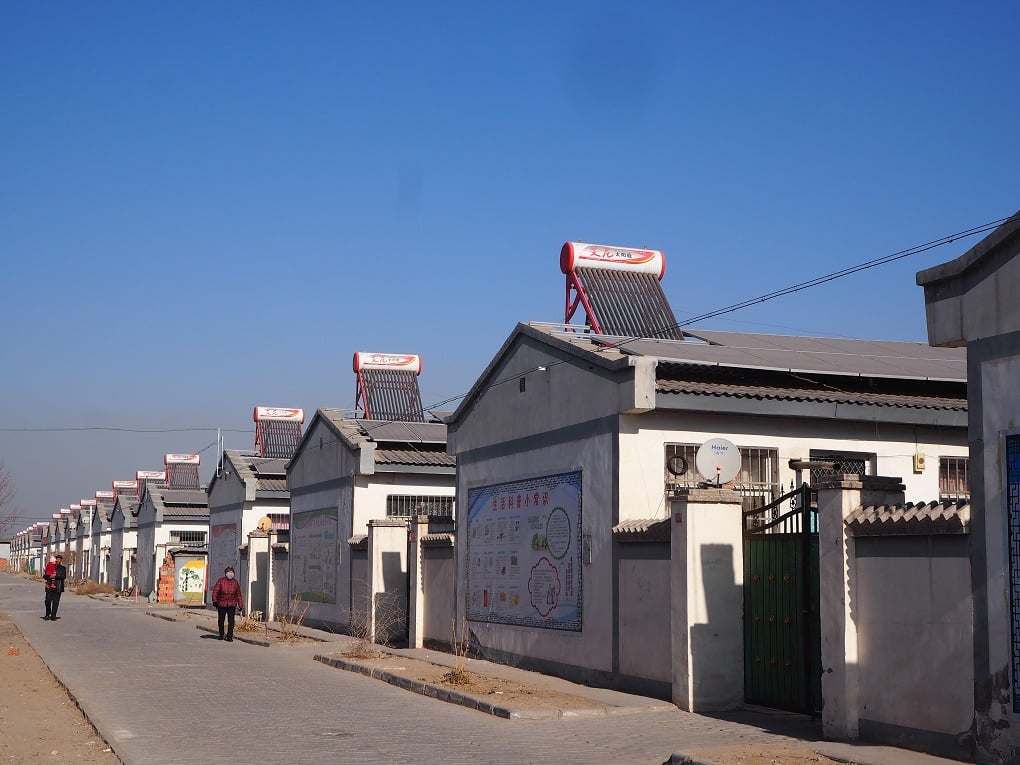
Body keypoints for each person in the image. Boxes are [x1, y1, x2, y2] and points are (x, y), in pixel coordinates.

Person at [211, 566, 244, 642]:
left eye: (232, 572)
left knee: (231, 621)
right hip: (221, 604)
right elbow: (215, 591)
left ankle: (229, 636)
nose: (230, 574)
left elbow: (238, 594)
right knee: (221, 620)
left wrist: (240, 605)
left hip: (232, 604)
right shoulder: (221, 581)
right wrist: (214, 601)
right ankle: (221, 634)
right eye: (229, 572)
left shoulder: (235, 582)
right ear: (225, 573)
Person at [43, 554, 67, 620]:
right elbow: (45, 575)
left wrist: (55, 576)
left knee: (55, 602)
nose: (58, 560)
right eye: (57, 559)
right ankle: (48, 613)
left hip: (58, 587)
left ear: (61, 560)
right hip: (49, 587)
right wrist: (49, 576)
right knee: (47, 601)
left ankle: (53, 616)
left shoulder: (63, 568)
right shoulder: (50, 566)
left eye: (59, 559)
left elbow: (63, 576)